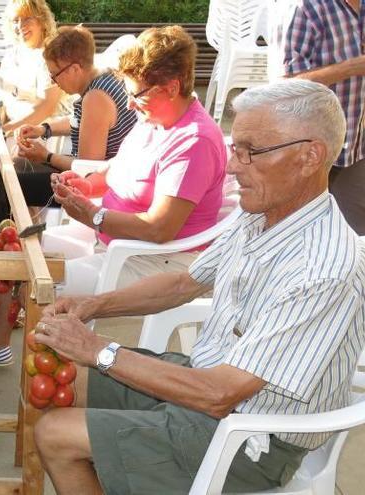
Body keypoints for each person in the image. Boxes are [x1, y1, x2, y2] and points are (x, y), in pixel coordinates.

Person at [33, 79, 365, 495]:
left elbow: (220, 395)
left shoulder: (323, 268)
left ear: (309, 156)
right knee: (63, 380)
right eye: (235, 147)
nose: (234, 165)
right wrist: (92, 307)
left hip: (251, 438)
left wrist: (99, 349)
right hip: (205, 384)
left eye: (252, 151)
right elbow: (183, 283)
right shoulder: (264, 211)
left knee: (55, 434)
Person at [0, 26, 227, 365]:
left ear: (171, 88)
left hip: (151, 261)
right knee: (18, 248)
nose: (128, 103)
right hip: (110, 241)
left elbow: (161, 228)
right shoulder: (154, 120)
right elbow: (116, 168)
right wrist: (86, 185)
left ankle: (20, 357)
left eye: (137, 94)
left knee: (36, 281)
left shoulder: (194, 141)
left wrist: (95, 216)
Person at [14, 25, 138, 207]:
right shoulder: (106, 75)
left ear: (74, 69)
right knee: (14, 166)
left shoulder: (96, 98)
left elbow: (86, 167)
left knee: (9, 180)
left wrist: (46, 156)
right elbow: (83, 122)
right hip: (97, 174)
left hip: (99, 186)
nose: (53, 82)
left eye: (54, 75)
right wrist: (43, 129)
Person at [269, 0, 365, 235]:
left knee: (352, 238)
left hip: (355, 146)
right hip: (308, 149)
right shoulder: (304, 8)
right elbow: (284, 85)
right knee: (301, 235)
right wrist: (352, 67)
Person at [0, 0, 69, 135]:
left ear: (42, 22)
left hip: (44, 132)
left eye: (27, 19)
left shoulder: (50, 57)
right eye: (15, 20)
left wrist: (5, 130)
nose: (20, 26)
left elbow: (46, 108)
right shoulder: (11, 54)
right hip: (14, 127)